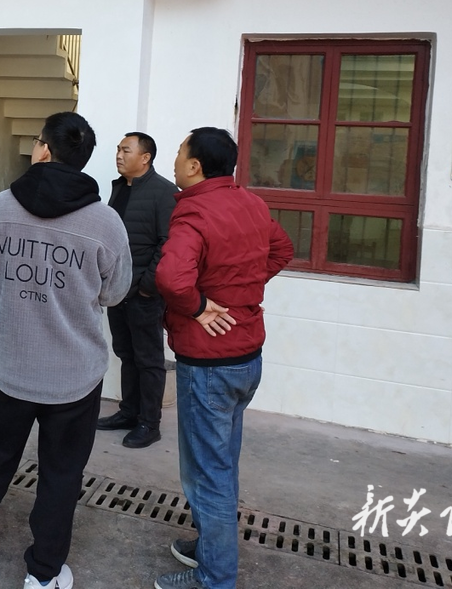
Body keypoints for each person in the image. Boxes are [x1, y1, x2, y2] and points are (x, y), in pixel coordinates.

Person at [0, 112, 131, 589]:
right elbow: (115, 292)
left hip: (11, 366)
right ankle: (43, 574)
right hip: (74, 376)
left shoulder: (1, 207)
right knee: (62, 474)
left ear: (42, 149)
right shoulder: (106, 222)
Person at [152, 127, 293, 589]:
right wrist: (239, 289)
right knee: (221, 464)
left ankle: (215, 578)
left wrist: (199, 306)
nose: (175, 160)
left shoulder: (194, 210)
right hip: (247, 357)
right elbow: (282, 249)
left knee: (207, 474)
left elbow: (171, 278)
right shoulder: (251, 203)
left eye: (179, 153)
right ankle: (213, 547)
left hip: (210, 364)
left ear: (195, 166)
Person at [97, 132, 177, 449]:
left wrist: (146, 287)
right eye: (118, 149)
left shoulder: (164, 192)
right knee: (126, 354)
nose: (119, 155)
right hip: (118, 290)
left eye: (126, 150)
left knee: (149, 360)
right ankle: (129, 413)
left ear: (145, 158)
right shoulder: (120, 188)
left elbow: (168, 244)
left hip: (144, 294)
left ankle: (149, 423)